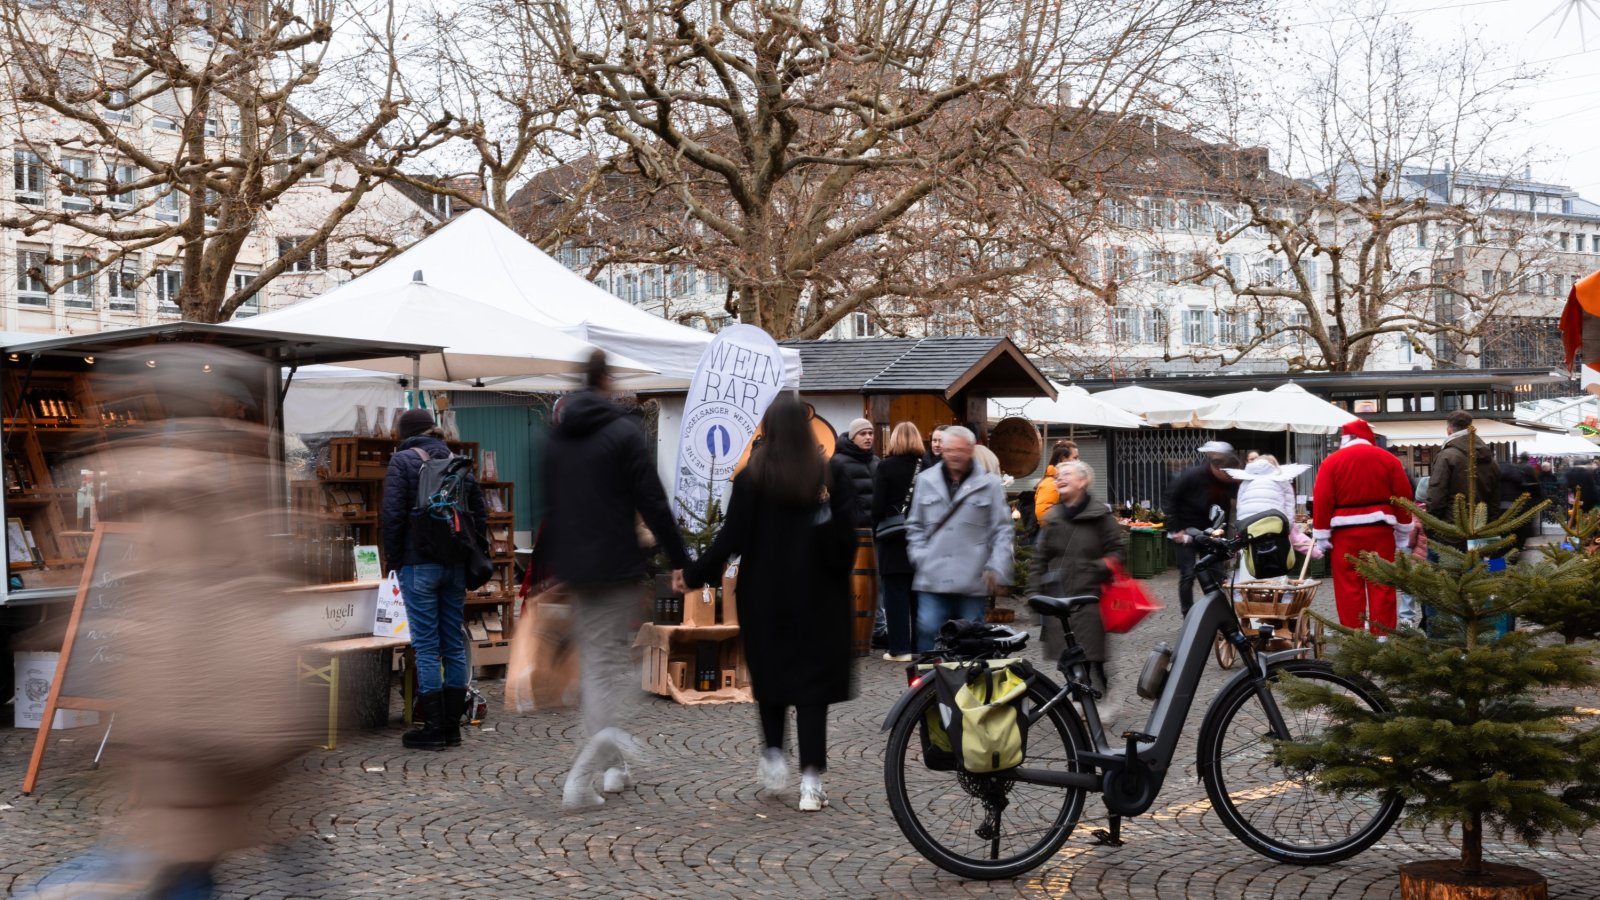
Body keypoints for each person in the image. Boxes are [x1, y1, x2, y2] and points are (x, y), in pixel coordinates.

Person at [24, 346, 319, 898]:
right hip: (231, 713)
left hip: (199, 715)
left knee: (180, 847)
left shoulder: (166, 484)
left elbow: (177, 610)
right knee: (193, 848)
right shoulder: (250, 474)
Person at [680, 397, 858, 812]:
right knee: (812, 690)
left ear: (768, 430)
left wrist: (693, 574)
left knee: (771, 678)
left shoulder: (751, 478)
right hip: (819, 596)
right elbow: (848, 542)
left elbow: (730, 539)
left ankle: (774, 757)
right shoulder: (829, 475)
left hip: (764, 595)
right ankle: (811, 782)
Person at [540, 351, 690, 808]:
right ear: (605, 381)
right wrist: (680, 560)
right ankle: (590, 770)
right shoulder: (623, 434)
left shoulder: (555, 439)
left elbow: (550, 508)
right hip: (615, 565)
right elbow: (653, 501)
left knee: (597, 667)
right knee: (608, 669)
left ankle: (612, 766)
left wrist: (550, 570)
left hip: (576, 569)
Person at [382, 407, 487, 751]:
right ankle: (453, 728)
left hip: (418, 565)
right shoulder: (458, 461)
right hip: (455, 565)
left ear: (406, 434)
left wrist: (395, 561)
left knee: (426, 646)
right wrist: (470, 555)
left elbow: (392, 516)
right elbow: (479, 514)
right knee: (452, 643)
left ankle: (434, 728)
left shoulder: (402, 461)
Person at [1030, 461, 1126, 725]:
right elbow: (1039, 559)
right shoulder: (1052, 518)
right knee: (1066, 656)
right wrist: (1034, 593)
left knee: (1093, 656)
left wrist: (1094, 568)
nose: (1059, 479)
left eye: (1066, 475)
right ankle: (1078, 700)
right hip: (1059, 598)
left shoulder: (1100, 516)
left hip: (1091, 597)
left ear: (1083, 481)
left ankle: (1103, 697)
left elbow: (1118, 552)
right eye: (1058, 476)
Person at [906, 426, 1013, 651]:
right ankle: (931, 674)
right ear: (942, 450)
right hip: (933, 576)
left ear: (971, 450)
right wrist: (919, 555)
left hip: (972, 579)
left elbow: (1002, 529)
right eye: (950, 450)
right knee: (928, 629)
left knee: (971, 639)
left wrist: (997, 566)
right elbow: (914, 524)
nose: (954, 455)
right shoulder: (926, 480)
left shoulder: (989, 483)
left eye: (960, 450)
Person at [1311, 419, 1415, 633]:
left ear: (1345, 438)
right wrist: (1403, 530)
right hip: (1380, 531)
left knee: (1348, 585)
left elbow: (1322, 499)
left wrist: (1322, 534)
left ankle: (1353, 634)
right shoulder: (1389, 459)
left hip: (1344, 534)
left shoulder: (1331, 461)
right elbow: (1403, 496)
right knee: (1382, 583)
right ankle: (1382, 635)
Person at [1162, 440, 1240, 615]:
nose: (1228, 478)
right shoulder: (1193, 475)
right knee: (1188, 575)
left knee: (1216, 575)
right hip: (1186, 530)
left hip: (1213, 533)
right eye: (1226, 474)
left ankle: (1216, 613)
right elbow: (1170, 499)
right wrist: (1175, 529)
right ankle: (1188, 614)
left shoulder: (1228, 480)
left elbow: (1231, 507)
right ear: (1216, 468)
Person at [872, 422, 925, 662]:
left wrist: (876, 530)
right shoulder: (927, 467)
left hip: (893, 539)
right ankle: (920, 647)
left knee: (894, 597)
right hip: (921, 538)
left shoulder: (885, 467)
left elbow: (877, 505)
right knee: (919, 598)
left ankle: (900, 649)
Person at [1425, 410, 1501, 548]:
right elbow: (1495, 499)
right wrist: (1491, 525)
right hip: (1483, 528)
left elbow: (1436, 494)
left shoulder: (1447, 456)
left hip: (1452, 530)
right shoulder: (1490, 459)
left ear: (1449, 430)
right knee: (1485, 561)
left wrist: (1430, 524)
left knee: (1445, 561)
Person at [1229, 454, 1316, 560]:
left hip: (1248, 529)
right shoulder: (1282, 479)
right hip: (1273, 527)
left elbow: (1240, 506)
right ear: (1275, 466)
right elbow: (1289, 507)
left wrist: (1241, 530)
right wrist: (1287, 529)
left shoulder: (1245, 482)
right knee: (1291, 539)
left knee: (1251, 557)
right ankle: (1318, 552)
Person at [830, 417, 877, 527]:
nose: (868, 437)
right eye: (863, 434)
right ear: (852, 438)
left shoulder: (876, 461)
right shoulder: (838, 463)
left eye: (870, 433)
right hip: (851, 527)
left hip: (876, 525)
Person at [1498, 451, 1542, 551]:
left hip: (1499, 510)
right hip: (1517, 508)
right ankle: (1515, 551)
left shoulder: (1497, 478)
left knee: (1502, 536)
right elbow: (1534, 487)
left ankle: (1504, 554)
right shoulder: (1520, 474)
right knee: (1518, 534)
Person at [1033, 441, 1078, 524]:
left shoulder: (1064, 481)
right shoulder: (1050, 484)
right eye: (1075, 458)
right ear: (1063, 459)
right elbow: (1044, 517)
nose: (1078, 461)